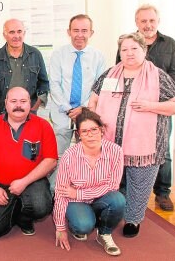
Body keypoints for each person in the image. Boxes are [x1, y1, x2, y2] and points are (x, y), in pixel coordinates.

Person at [89, 32, 175, 238]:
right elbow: (93, 99)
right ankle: (107, 214)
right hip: (110, 142)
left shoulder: (158, 76)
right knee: (109, 182)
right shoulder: (109, 74)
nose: (129, 53)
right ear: (119, 52)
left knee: (139, 184)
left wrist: (150, 106)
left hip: (145, 145)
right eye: (124, 49)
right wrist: (95, 117)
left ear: (144, 50)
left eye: (134, 49)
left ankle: (133, 220)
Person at [116, 4, 175, 211]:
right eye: (143, 21)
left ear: (158, 21)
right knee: (127, 148)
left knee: (162, 151)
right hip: (131, 108)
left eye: (151, 20)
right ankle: (124, 191)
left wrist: (153, 98)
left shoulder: (170, 44)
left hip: (159, 107)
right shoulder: (127, 42)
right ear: (137, 23)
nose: (148, 24)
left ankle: (162, 193)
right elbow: (119, 71)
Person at [0, 87, 57, 238]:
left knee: (41, 206)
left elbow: (51, 160)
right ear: (6, 103)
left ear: (30, 103)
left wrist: (24, 182)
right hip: (1, 185)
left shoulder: (43, 125)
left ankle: (24, 218)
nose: (18, 105)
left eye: (23, 101)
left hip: (32, 182)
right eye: (13, 101)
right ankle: (15, 209)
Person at [53, 108, 125, 256]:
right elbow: (61, 193)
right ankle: (84, 219)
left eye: (94, 129)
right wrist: (60, 228)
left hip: (99, 199)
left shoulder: (116, 151)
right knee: (83, 226)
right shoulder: (69, 155)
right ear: (78, 134)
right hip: (76, 202)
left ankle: (104, 234)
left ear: (102, 130)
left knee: (118, 200)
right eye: (85, 131)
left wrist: (78, 193)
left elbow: (113, 186)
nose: (90, 134)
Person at [48, 15, 106, 193]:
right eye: (76, 30)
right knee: (57, 156)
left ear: (91, 33)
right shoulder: (58, 55)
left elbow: (100, 87)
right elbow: (54, 84)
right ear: (68, 32)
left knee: (88, 155)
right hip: (61, 113)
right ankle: (54, 192)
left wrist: (84, 109)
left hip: (87, 114)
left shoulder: (98, 57)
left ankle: (86, 192)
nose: (79, 35)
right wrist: (69, 108)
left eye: (84, 30)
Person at [0, 19, 49, 115]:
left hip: (29, 113)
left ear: (24, 33)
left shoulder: (35, 54)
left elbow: (44, 83)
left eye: (19, 31)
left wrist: (34, 108)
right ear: (5, 35)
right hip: (2, 114)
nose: (16, 36)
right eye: (12, 32)